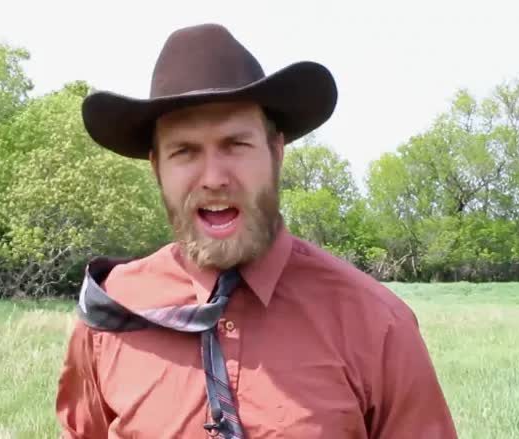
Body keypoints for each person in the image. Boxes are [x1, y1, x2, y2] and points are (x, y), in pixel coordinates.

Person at [55, 23, 458, 438]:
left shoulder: (376, 324)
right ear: (157, 168)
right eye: (185, 151)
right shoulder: (111, 313)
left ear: (276, 152)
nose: (214, 177)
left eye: (235, 144)